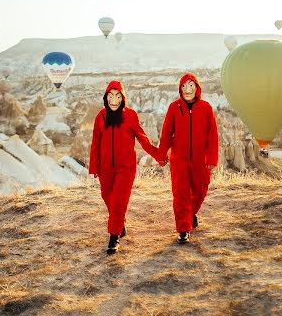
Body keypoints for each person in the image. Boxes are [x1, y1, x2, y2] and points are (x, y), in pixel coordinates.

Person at [89, 80, 159, 254]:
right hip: (105, 167)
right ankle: (120, 224)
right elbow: (95, 143)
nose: (114, 99)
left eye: (118, 96)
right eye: (111, 96)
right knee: (108, 197)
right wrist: (94, 167)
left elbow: (143, 139)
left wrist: (159, 154)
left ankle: (114, 237)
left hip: (125, 167)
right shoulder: (101, 117)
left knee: (119, 200)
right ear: (106, 98)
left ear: (122, 98)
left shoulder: (131, 115)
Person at [157, 73, 219, 244]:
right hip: (179, 160)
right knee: (181, 194)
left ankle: (191, 213)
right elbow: (166, 133)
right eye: (184, 86)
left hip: (201, 159)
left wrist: (212, 158)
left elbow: (212, 135)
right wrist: (162, 154)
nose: (187, 89)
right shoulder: (174, 108)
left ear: (197, 88)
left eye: (191, 85)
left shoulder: (206, 108)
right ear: (180, 89)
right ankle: (183, 229)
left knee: (200, 190)